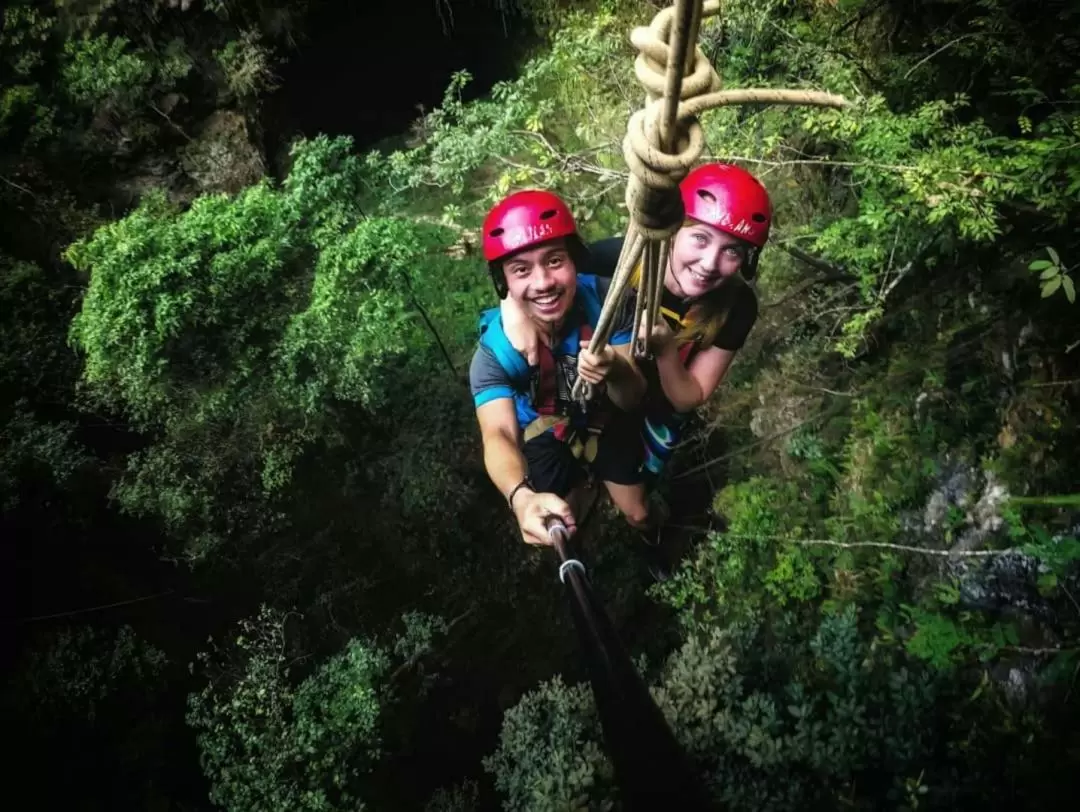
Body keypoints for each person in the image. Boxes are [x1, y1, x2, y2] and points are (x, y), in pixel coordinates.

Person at [498, 163, 770, 552]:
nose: (710, 263)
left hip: (658, 403)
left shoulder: (736, 305)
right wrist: (512, 310)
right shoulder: (619, 259)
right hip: (597, 393)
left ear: (746, 259)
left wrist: (665, 350)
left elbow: (689, 395)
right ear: (674, 228)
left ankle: (656, 531)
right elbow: (538, 281)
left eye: (731, 250)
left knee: (638, 511)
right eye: (700, 238)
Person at [469, 189, 650, 548]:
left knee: (639, 513)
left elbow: (632, 399)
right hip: (544, 429)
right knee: (562, 523)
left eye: (554, 261)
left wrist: (615, 368)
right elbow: (499, 434)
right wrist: (521, 497)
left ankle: (651, 536)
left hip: (604, 415)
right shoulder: (495, 353)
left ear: (574, 260)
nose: (543, 283)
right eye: (521, 269)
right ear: (504, 282)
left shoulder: (608, 303)